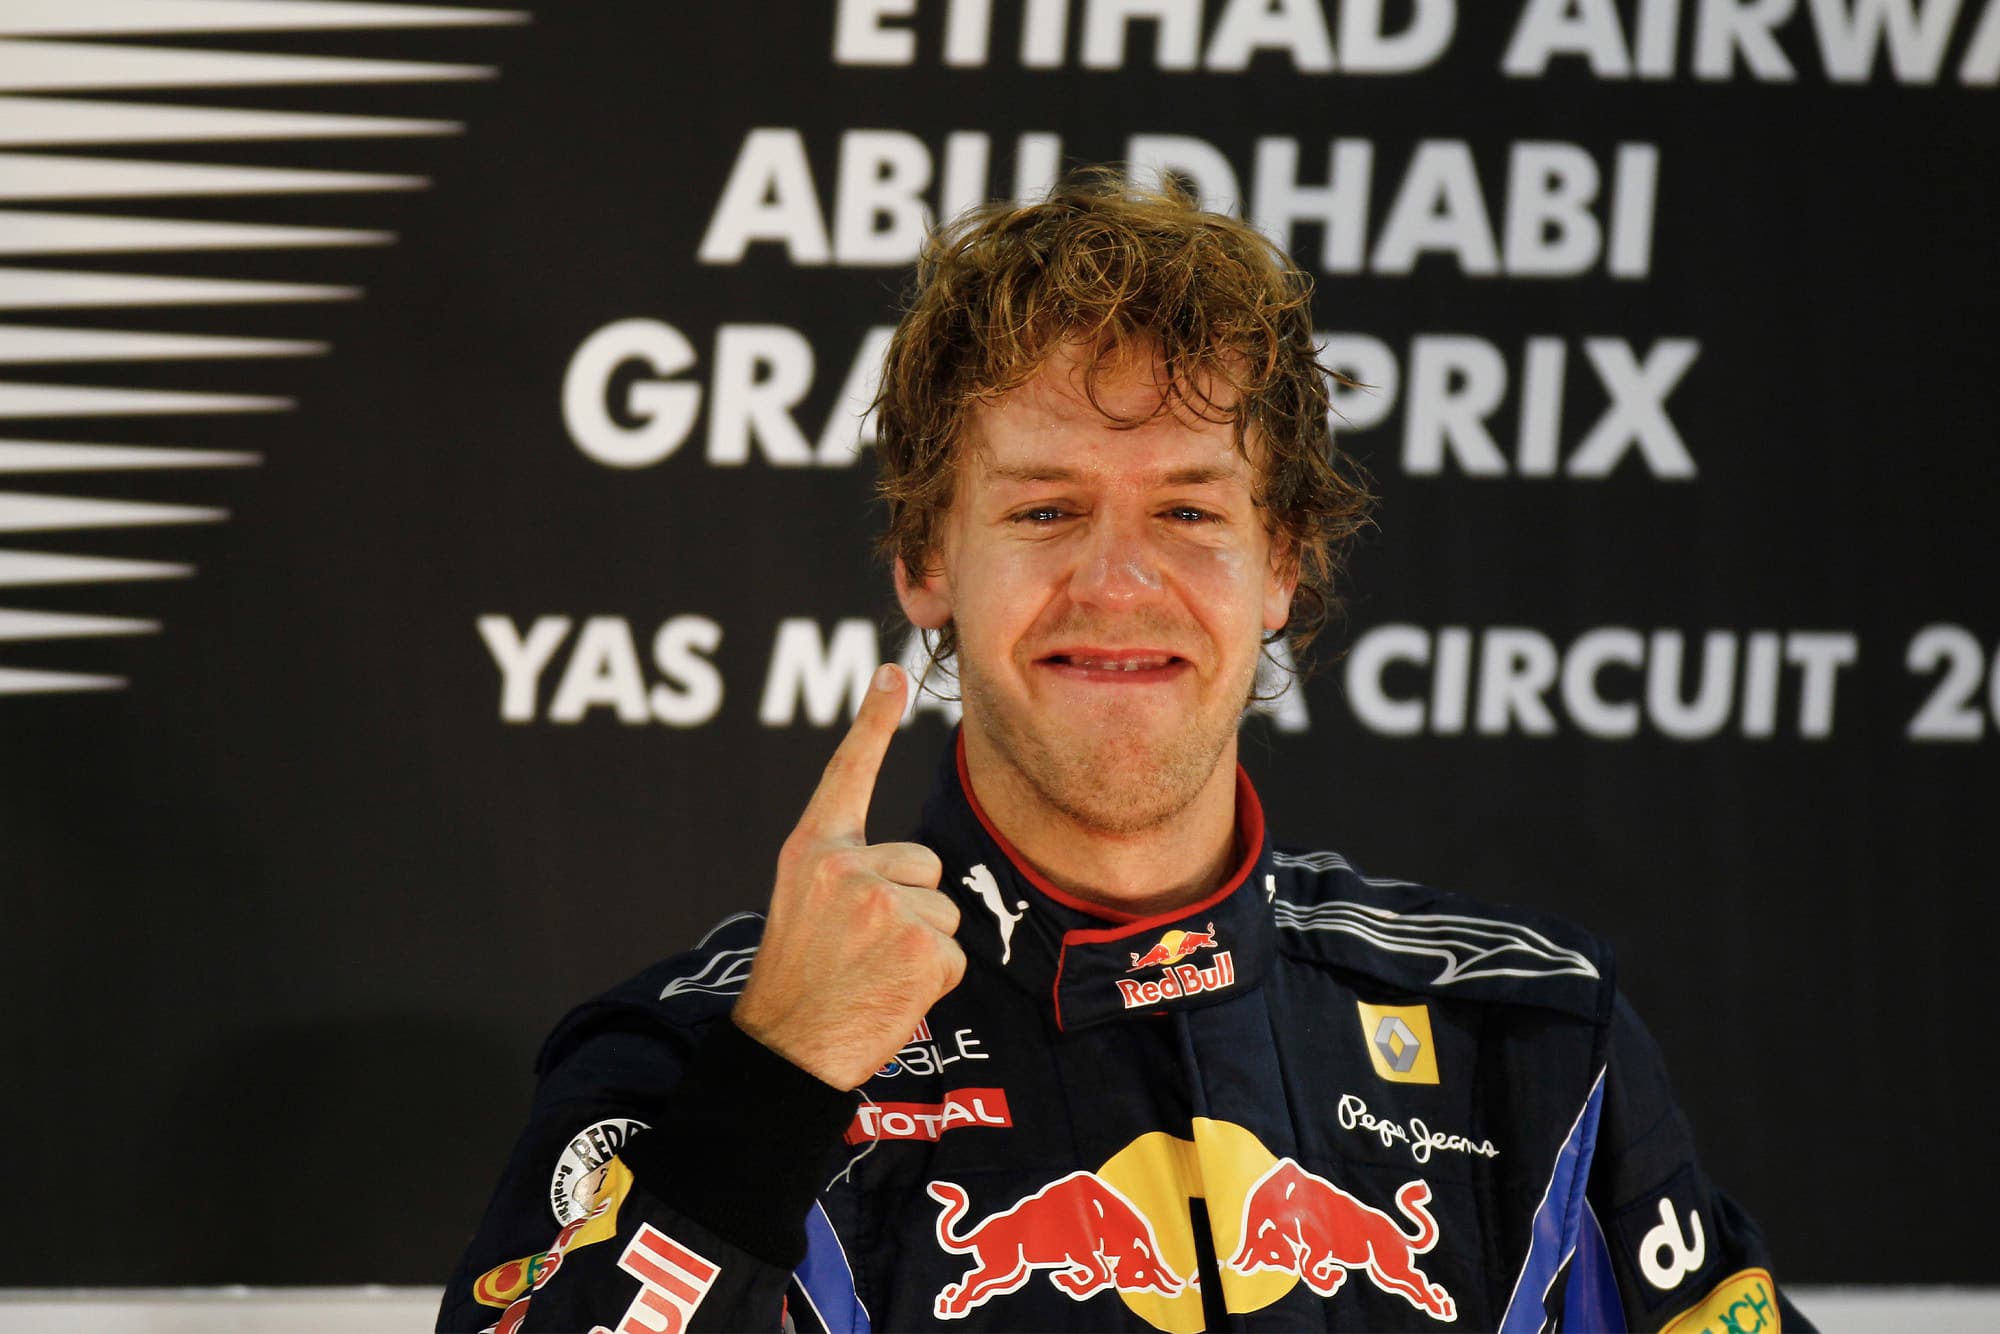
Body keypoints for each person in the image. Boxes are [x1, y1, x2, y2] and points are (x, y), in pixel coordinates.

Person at [440, 173, 1810, 1333]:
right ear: (925, 560)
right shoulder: (697, 1054)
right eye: (1044, 510)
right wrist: (777, 1086)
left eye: (1189, 512)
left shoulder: (1526, 1037)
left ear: (1282, 563)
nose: (1116, 582)